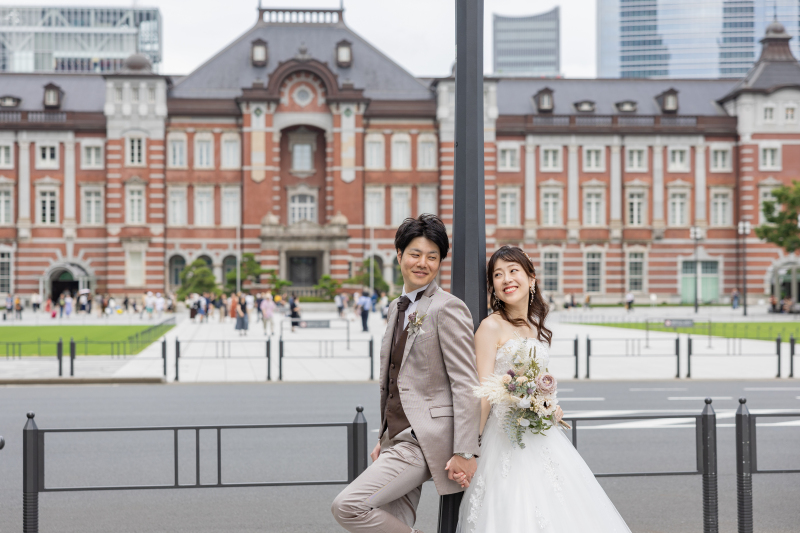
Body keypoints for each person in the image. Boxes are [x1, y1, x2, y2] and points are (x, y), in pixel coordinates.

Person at [454, 245, 631, 532]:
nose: (506, 279)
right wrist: (469, 449)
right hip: (504, 440)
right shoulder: (490, 327)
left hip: (541, 436)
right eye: (498, 275)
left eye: (514, 271)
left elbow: (541, 381)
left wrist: (549, 406)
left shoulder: (536, 326)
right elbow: (484, 392)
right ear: (493, 288)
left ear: (531, 278)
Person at [332, 214, 480, 533]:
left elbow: (466, 384)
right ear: (399, 255)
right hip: (395, 439)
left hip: (421, 440)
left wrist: (465, 451)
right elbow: (396, 379)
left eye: (432, 256)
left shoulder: (447, 308)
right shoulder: (396, 308)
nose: (422, 263)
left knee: (349, 506)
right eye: (415, 254)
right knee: (394, 525)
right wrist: (384, 435)